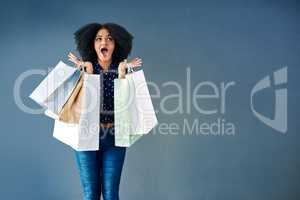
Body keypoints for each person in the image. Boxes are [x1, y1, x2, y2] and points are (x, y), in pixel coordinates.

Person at [67, 22, 142, 200]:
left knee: (111, 195)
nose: (104, 42)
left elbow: (128, 107)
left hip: (114, 136)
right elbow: (81, 106)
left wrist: (123, 76)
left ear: (116, 45)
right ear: (92, 45)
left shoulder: (123, 69)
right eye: (99, 39)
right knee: (91, 195)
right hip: (86, 135)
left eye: (109, 39)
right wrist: (88, 74)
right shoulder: (85, 68)